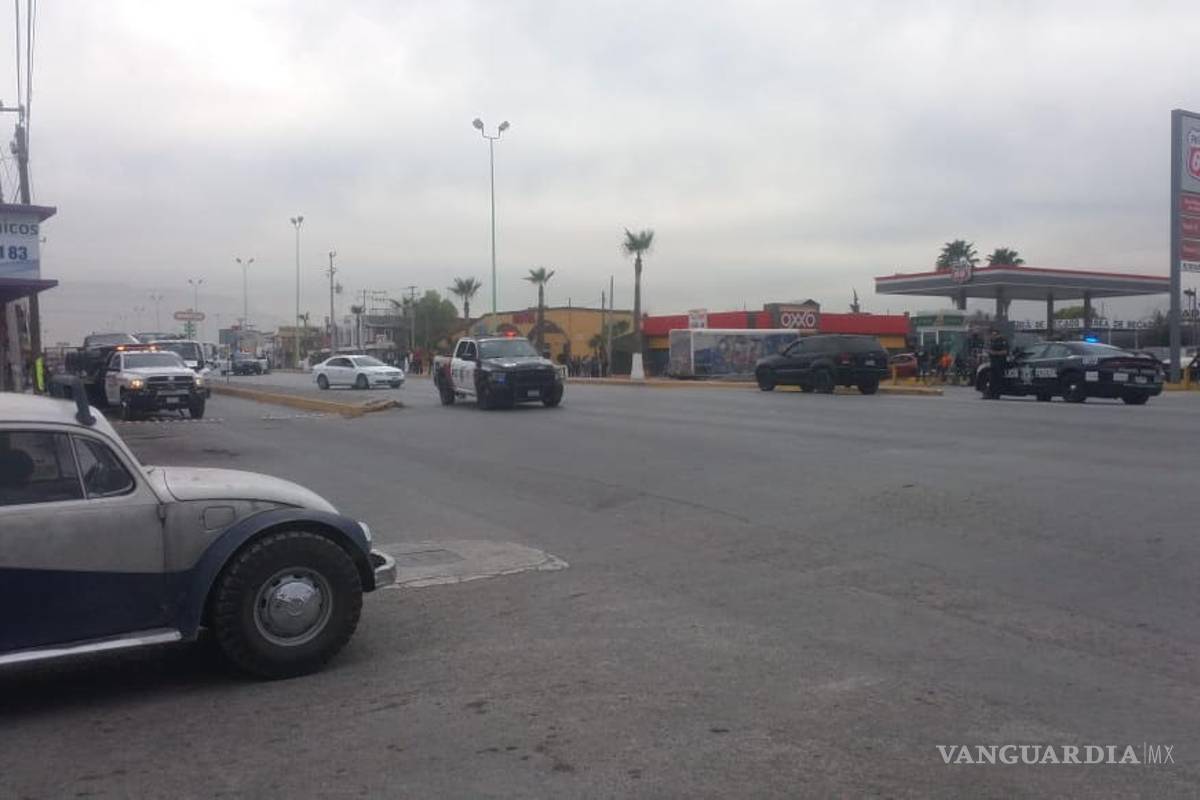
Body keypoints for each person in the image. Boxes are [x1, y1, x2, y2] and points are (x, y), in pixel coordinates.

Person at [987, 326, 1009, 399]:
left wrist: (995, 353)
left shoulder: (1003, 341)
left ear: (998, 335)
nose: (993, 336)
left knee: (998, 379)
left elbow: (1005, 352)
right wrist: (991, 353)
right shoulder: (992, 341)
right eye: (992, 335)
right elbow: (989, 351)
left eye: (994, 335)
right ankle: (990, 394)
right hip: (993, 363)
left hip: (1000, 363)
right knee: (992, 379)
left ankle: (997, 394)